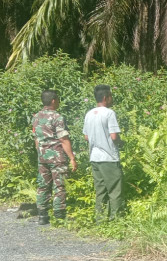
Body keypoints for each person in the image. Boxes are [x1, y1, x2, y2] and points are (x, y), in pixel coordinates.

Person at [32, 89, 77, 225]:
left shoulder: (36, 117)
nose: (58, 102)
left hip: (42, 157)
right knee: (59, 186)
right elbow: (63, 139)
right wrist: (72, 158)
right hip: (57, 157)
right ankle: (59, 216)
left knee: (43, 185)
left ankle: (42, 215)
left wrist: (41, 152)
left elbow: (36, 138)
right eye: (57, 99)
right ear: (53, 101)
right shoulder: (57, 117)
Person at [83, 84, 123, 222]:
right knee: (115, 190)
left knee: (100, 191)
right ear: (106, 97)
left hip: (94, 157)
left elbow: (86, 137)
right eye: (111, 96)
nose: (112, 99)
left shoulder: (88, 114)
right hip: (109, 158)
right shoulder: (109, 113)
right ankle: (115, 220)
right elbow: (114, 137)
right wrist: (121, 142)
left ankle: (100, 219)